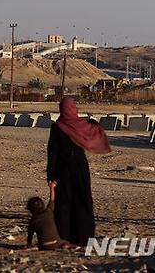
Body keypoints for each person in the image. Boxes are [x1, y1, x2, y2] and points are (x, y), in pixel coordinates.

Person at [47, 96, 111, 246]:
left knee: (64, 203)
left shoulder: (57, 127)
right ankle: (84, 237)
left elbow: (52, 153)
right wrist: (94, 123)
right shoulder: (82, 124)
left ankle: (64, 236)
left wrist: (51, 175)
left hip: (63, 170)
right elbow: (95, 129)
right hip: (80, 168)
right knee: (82, 200)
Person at [25, 183, 63, 250]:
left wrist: (29, 244)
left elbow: (30, 236)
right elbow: (52, 199)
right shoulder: (49, 212)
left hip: (43, 245)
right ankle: (67, 246)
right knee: (65, 242)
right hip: (56, 243)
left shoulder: (33, 221)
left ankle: (35, 247)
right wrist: (52, 187)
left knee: (38, 244)